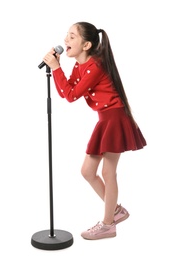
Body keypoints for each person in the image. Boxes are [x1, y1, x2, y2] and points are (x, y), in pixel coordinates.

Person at [43, 21, 147, 240]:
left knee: (108, 173)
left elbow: (71, 95)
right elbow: (66, 93)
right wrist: (57, 69)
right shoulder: (81, 66)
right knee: (88, 172)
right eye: (66, 36)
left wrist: (56, 68)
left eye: (72, 37)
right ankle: (117, 211)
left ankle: (108, 224)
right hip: (105, 119)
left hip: (115, 118)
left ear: (87, 44)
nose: (65, 41)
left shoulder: (95, 66)